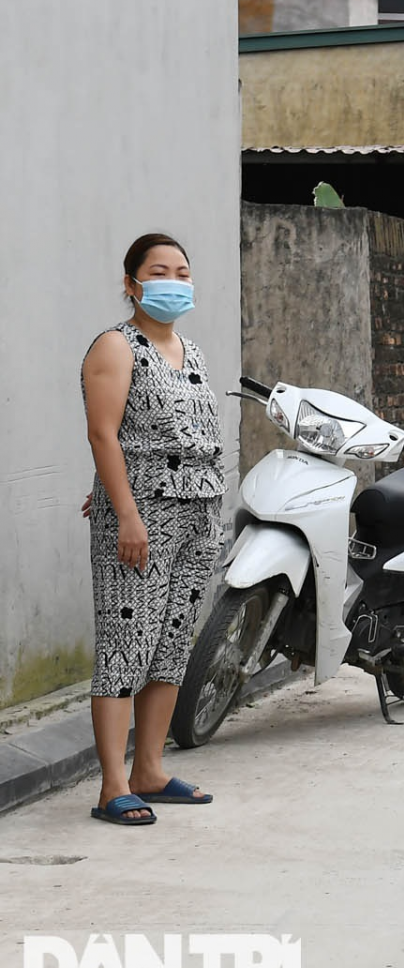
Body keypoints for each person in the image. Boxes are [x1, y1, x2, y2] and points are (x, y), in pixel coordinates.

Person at [79, 233, 224, 824]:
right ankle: (113, 784)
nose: (174, 280)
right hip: (143, 518)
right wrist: (125, 511)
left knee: (170, 644)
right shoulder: (117, 346)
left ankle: (150, 769)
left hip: (200, 510)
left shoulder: (190, 351)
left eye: (183, 271)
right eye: (159, 270)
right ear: (132, 282)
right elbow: (103, 434)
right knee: (125, 643)